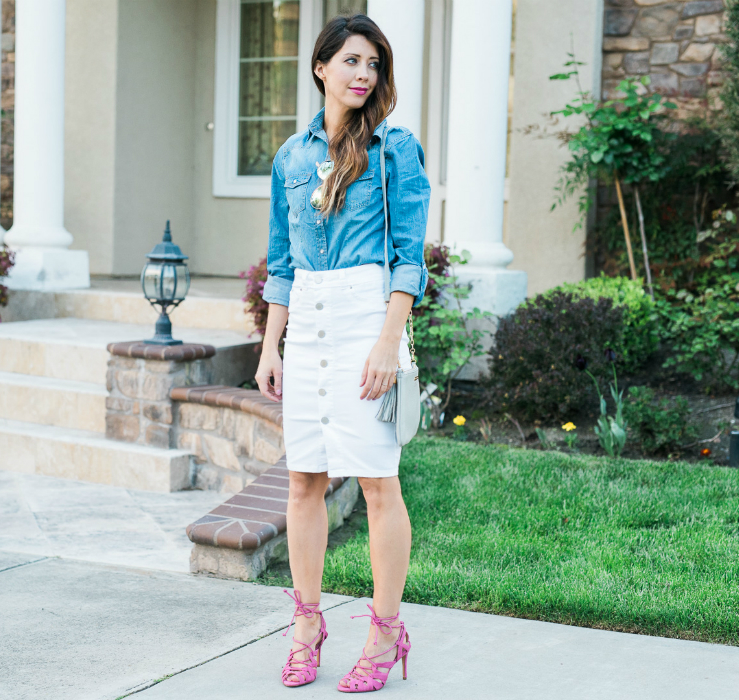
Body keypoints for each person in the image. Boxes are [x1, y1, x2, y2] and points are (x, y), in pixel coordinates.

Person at [255, 13, 430, 693]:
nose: (363, 75)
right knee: (304, 480)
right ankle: (306, 625)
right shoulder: (291, 158)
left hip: (366, 323)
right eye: (351, 61)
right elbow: (280, 262)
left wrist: (387, 341)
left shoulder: (395, 150)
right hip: (308, 326)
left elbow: (406, 258)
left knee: (377, 481)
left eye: (374, 64)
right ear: (321, 67)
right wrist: (271, 347)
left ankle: (386, 631)